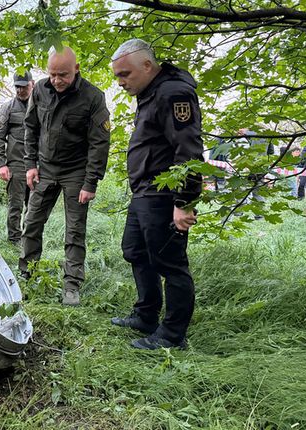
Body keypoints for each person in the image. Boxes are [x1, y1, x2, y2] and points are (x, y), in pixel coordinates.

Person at [110, 39, 203, 350]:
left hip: (165, 195)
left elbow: (188, 151)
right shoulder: (150, 91)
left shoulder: (173, 93)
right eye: (117, 76)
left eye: (125, 74)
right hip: (145, 191)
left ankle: (172, 336)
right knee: (135, 250)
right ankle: (146, 315)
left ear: (147, 66)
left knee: (170, 263)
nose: (121, 82)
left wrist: (184, 202)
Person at [19, 46, 111, 306]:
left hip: (76, 172)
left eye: (64, 75)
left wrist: (90, 181)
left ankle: (71, 285)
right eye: (53, 74)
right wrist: (30, 164)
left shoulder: (93, 97)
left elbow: (99, 143)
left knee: (74, 230)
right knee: (32, 222)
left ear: (77, 69)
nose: (57, 80)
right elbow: (31, 127)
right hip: (45, 169)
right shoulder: (39, 90)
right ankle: (27, 275)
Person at [0, 71, 35, 244]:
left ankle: (30, 239)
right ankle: (14, 240)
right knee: (15, 206)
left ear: (32, 84)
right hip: (16, 165)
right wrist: (1, 164)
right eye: (17, 87)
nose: (20, 90)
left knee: (34, 208)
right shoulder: (7, 108)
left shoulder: (41, 107)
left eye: (24, 86)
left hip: (37, 165)